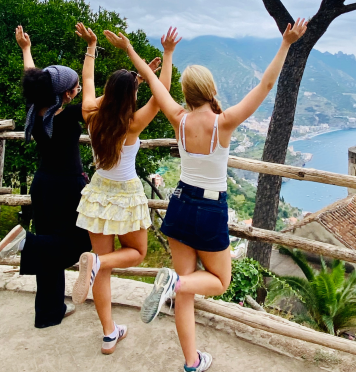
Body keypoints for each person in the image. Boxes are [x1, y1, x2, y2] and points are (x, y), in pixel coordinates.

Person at [103, 19, 308, 372]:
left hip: (180, 204)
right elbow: (266, 84)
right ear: (211, 89)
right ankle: (176, 287)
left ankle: (192, 360)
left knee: (184, 293)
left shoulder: (178, 118)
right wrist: (286, 44)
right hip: (210, 208)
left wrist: (137, 50)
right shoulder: (223, 122)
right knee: (219, 281)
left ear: (186, 93)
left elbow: (151, 79)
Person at [71, 22, 181, 355]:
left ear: (109, 92)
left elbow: (88, 80)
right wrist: (167, 54)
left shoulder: (91, 114)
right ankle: (97, 264)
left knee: (101, 266)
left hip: (97, 192)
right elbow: (162, 94)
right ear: (131, 97)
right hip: (126, 193)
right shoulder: (133, 123)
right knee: (137, 253)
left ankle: (109, 333)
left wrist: (91, 47)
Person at [0, 26, 94, 328]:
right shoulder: (70, 116)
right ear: (67, 93)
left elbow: (34, 78)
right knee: (81, 242)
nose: (78, 90)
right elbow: (95, 93)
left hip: (43, 185)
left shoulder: (37, 109)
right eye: (74, 87)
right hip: (69, 187)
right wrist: (91, 50)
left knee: (50, 244)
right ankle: (26, 243)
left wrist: (26, 49)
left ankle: (49, 312)